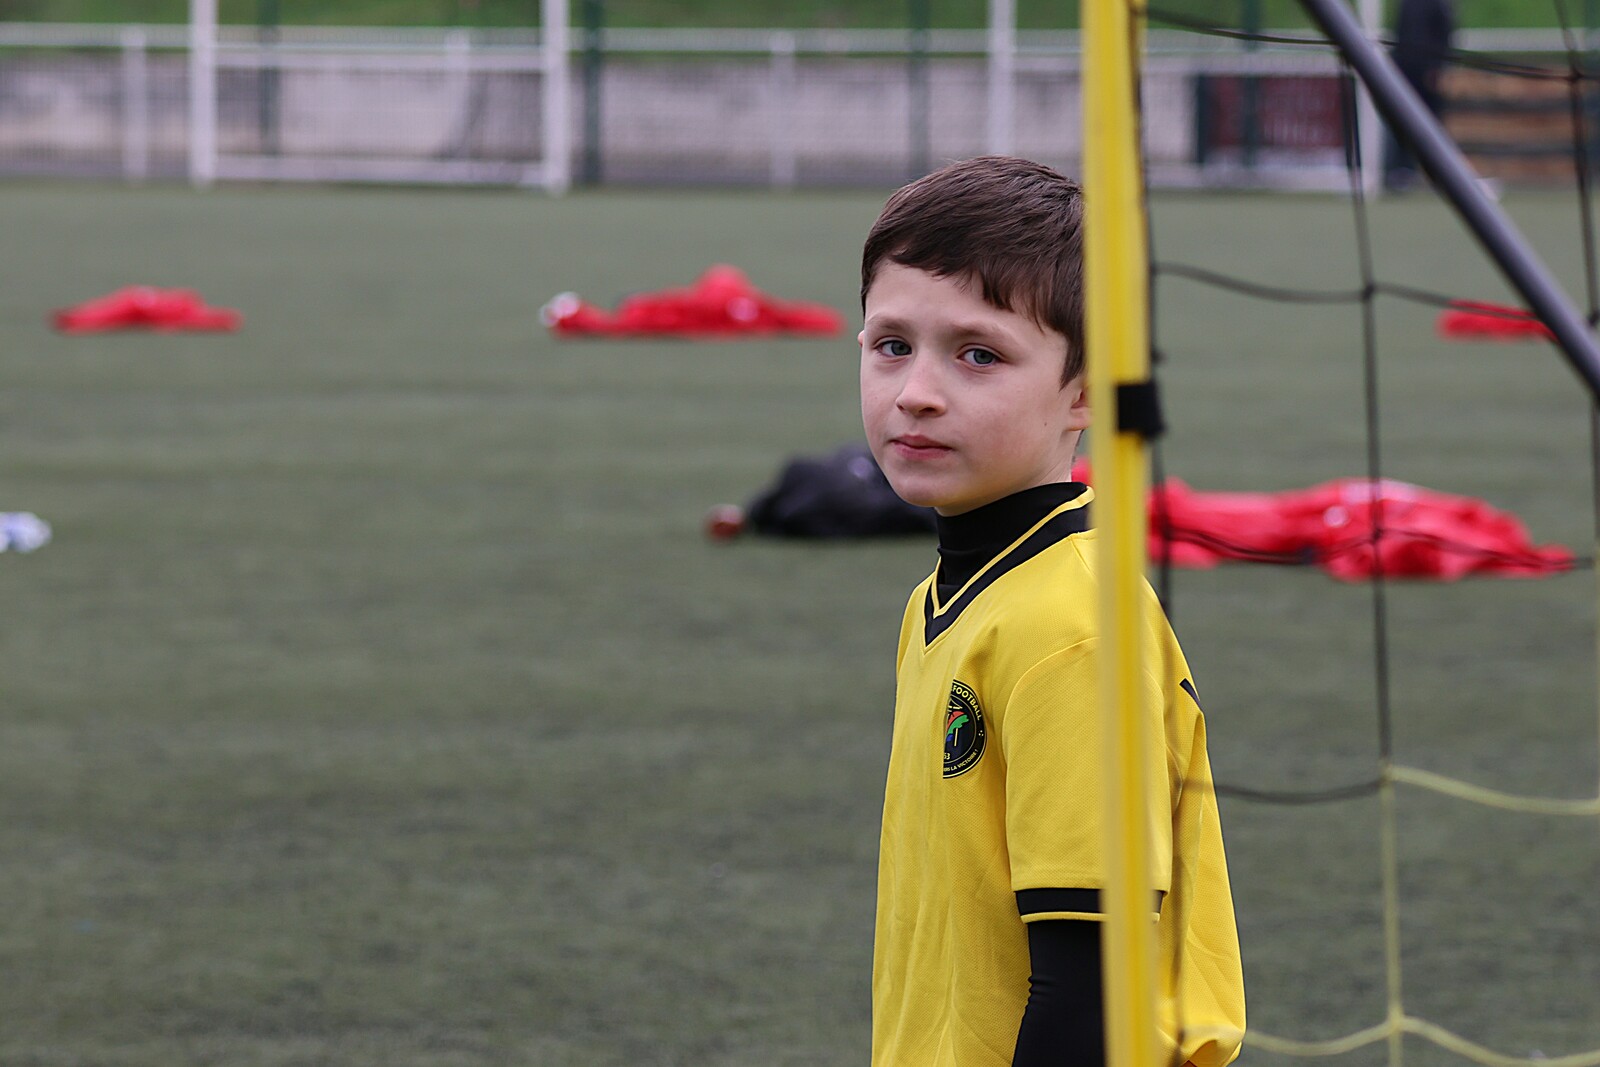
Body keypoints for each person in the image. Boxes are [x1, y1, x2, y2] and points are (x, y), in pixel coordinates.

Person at [858, 156, 1246, 1067]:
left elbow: (1091, 994)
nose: (916, 391)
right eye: (892, 345)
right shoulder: (944, 599)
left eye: (979, 354)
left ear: (1085, 393)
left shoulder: (1072, 628)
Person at [1385, 0, 1456, 189]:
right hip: (1406, 72)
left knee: (1432, 123)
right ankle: (1401, 170)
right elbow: (1400, 34)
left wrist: (1437, 68)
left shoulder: (1440, 4)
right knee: (1402, 120)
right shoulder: (1407, 3)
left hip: (1429, 73)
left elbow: (1445, 36)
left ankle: (1439, 171)